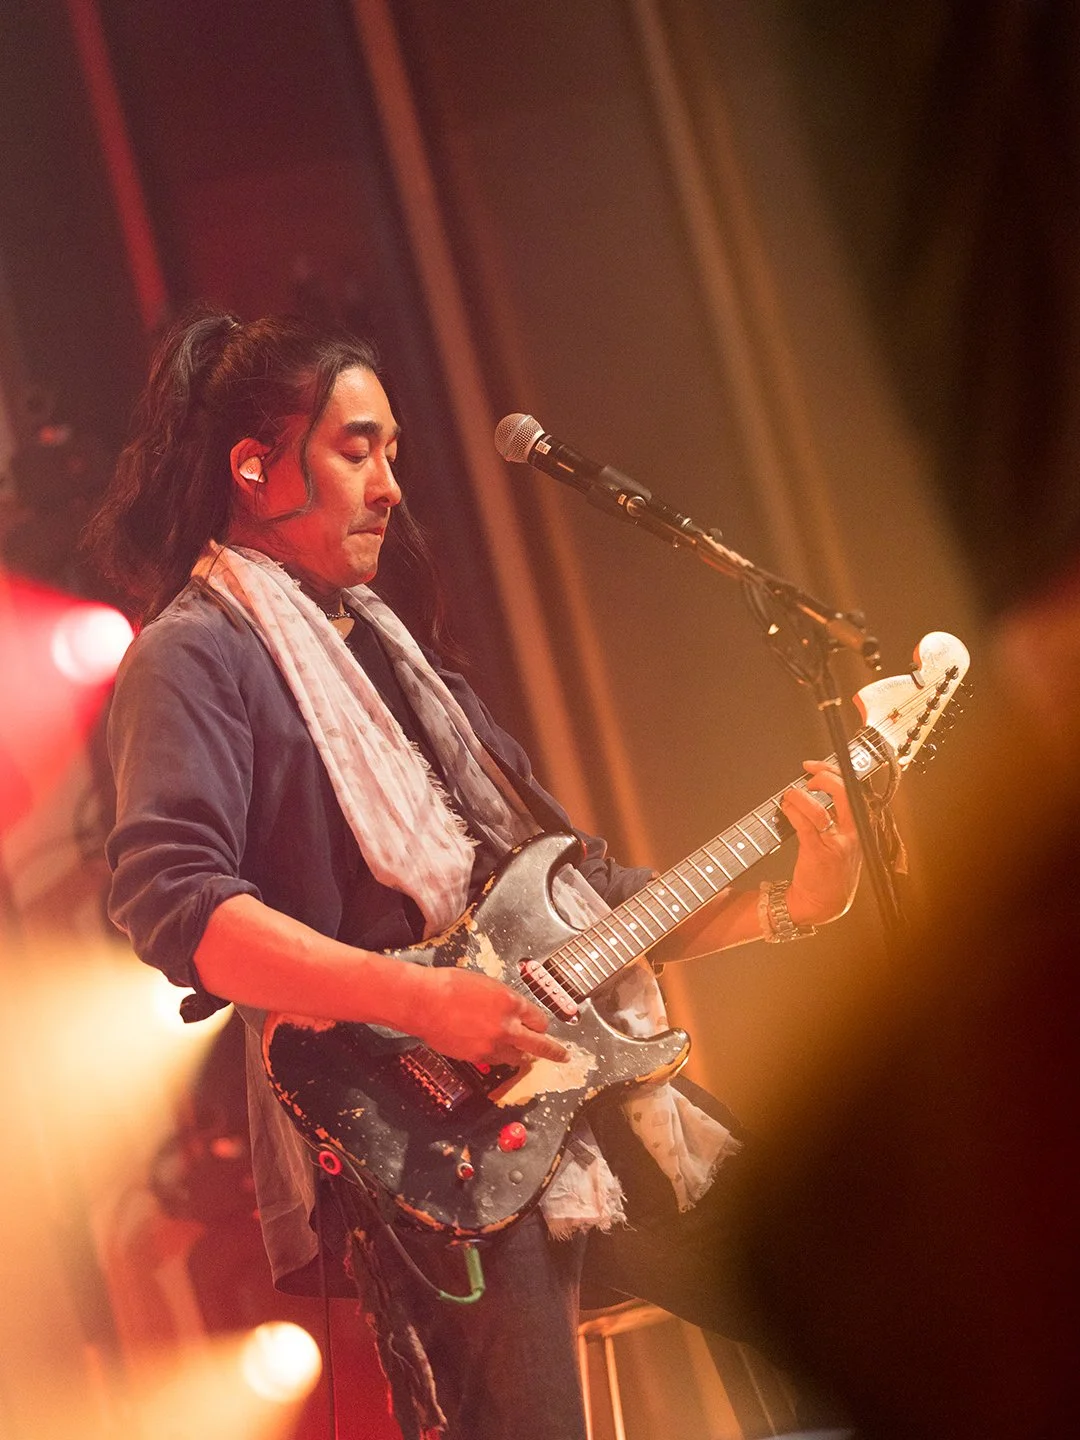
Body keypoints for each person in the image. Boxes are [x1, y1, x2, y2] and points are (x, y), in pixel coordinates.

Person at [88, 308, 861, 1440]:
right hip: (416, 1147)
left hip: (577, 1084)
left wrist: (786, 907)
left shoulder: (398, 657)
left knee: (844, 1301)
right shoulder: (192, 655)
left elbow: (581, 896)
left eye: (392, 451)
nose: (391, 485)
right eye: (358, 449)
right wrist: (424, 1001)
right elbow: (176, 911)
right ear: (255, 467)